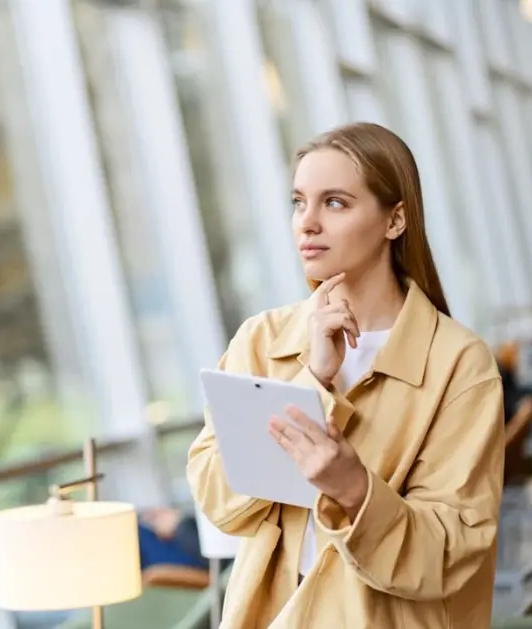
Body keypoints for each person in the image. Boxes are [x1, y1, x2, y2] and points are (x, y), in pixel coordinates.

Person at [188, 123, 504, 628]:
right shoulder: (260, 340)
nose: (306, 223)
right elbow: (219, 503)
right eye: (298, 202)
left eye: (334, 203)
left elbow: (451, 553)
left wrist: (356, 490)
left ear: (395, 220)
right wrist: (311, 377)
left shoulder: (460, 364)